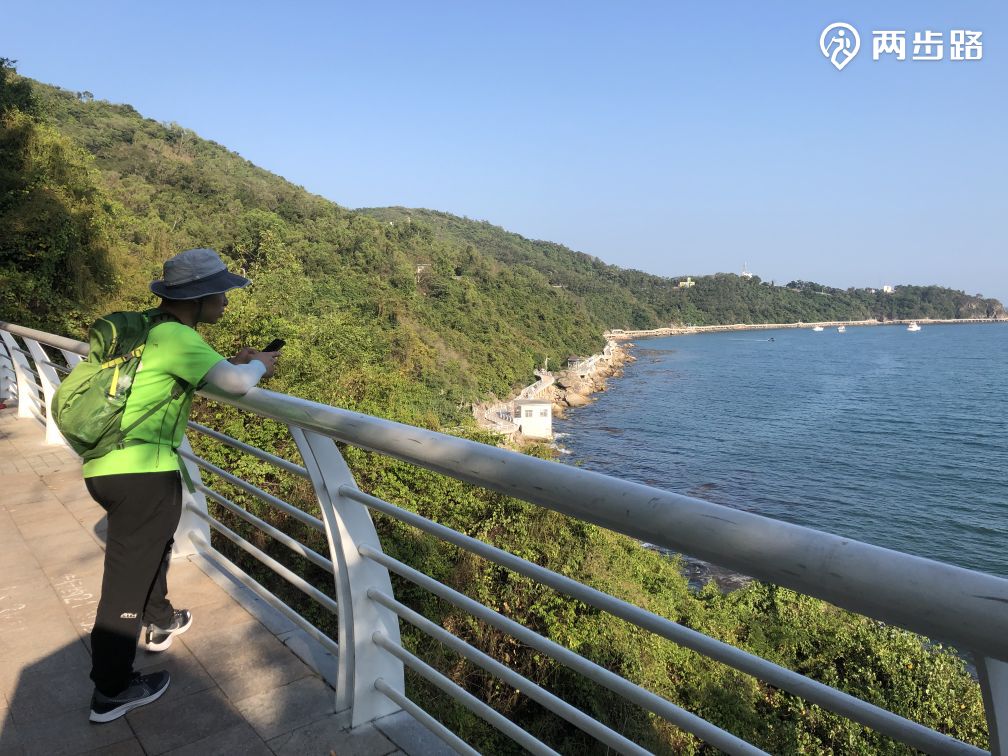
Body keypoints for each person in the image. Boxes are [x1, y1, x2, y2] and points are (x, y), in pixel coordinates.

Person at [85, 248, 279, 723]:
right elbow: (235, 384)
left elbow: (198, 376)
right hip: (142, 472)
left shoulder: (155, 329)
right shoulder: (176, 336)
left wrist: (234, 362)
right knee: (124, 581)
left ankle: (159, 621)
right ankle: (110, 691)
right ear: (196, 297)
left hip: (109, 466)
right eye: (221, 292)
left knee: (148, 553)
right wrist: (259, 367)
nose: (227, 302)